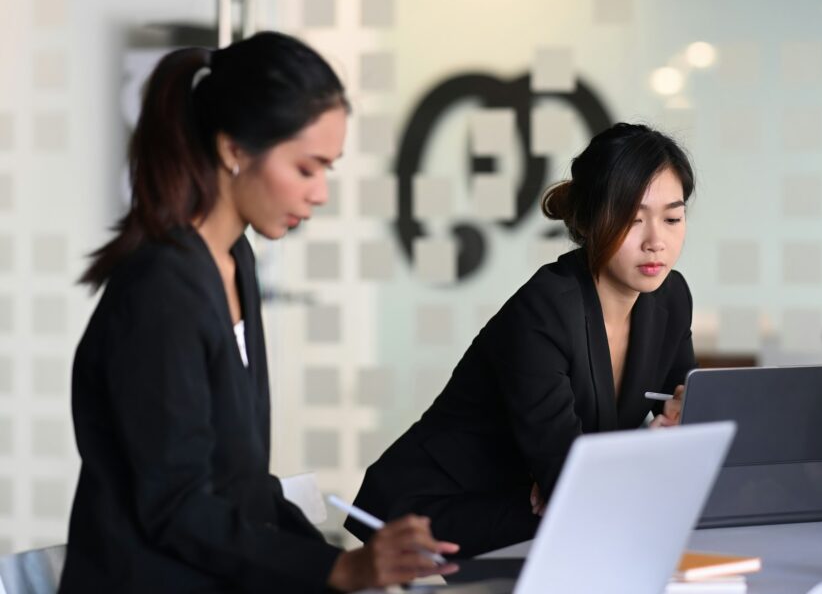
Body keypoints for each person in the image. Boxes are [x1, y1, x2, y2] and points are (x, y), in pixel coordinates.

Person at [59, 31, 458, 593]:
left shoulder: (234, 259)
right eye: (306, 168)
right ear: (234, 150)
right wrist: (336, 569)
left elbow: (240, 488)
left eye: (328, 170)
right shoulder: (160, 293)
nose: (320, 193)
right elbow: (177, 506)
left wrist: (346, 557)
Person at [348, 122, 698, 557]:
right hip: (440, 505)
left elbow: (689, 416)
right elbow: (572, 479)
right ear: (589, 221)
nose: (656, 242)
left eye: (672, 218)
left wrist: (663, 435)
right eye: (632, 219)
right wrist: (632, 454)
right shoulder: (546, 308)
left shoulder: (671, 298)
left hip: (538, 506)